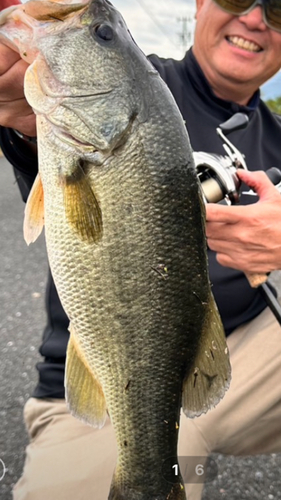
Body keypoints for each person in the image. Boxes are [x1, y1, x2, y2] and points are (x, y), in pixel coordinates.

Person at [1, 0, 281, 499]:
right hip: (117, 383)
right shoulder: (148, 81)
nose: (255, 19)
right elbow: (39, 152)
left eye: (277, 9)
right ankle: (156, 464)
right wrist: (25, 124)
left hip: (242, 364)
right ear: (199, 5)